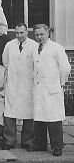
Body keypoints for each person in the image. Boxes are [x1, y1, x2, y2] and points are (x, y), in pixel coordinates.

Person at [32, 24, 71, 156]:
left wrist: (59, 84)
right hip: (39, 88)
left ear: (48, 33)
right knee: (40, 118)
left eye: (41, 34)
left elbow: (65, 68)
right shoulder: (35, 48)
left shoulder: (56, 48)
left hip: (52, 89)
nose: (39, 37)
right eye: (36, 35)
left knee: (53, 119)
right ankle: (40, 145)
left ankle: (57, 146)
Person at [2, 23, 37, 150]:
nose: (19, 35)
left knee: (29, 112)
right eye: (17, 33)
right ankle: (9, 141)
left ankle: (27, 141)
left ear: (27, 32)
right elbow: (5, 62)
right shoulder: (9, 45)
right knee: (10, 112)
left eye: (22, 33)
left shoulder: (34, 45)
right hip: (13, 83)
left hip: (28, 84)